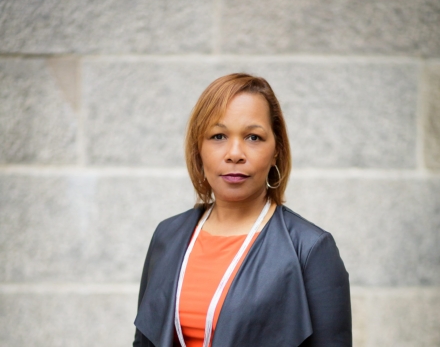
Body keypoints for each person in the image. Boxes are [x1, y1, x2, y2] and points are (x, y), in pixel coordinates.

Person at [133, 73, 352, 347]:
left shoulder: (310, 249)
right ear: (198, 150)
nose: (234, 153)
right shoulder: (168, 236)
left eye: (253, 137)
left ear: (276, 151)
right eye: (218, 135)